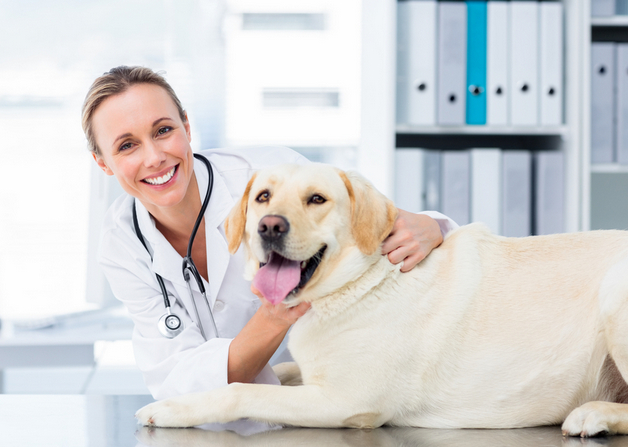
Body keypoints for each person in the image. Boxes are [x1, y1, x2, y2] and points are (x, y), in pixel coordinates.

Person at [82, 66, 458, 400]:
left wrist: (433, 227)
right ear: (103, 162)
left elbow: (368, 230)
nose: (154, 157)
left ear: (186, 126)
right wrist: (274, 317)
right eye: (127, 145)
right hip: (229, 423)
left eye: (163, 130)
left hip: (334, 397)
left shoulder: (271, 176)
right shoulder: (122, 245)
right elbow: (175, 380)